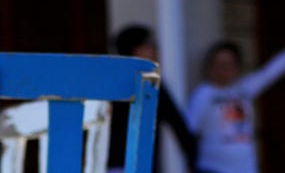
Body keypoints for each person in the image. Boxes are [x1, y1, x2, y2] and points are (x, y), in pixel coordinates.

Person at [108, 25, 197, 173]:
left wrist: (191, 158)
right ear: (135, 49)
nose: (155, 51)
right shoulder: (147, 84)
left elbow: (179, 125)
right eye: (150, 45)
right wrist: (192, 160)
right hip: (125, 166)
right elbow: (178, 125)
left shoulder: (110, 81)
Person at [186, 41, 285, 173]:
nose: (223, 69)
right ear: (209, 66)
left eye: (229, 64)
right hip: (212, 168)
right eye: (219, 64)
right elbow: (187, 130)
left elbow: (270, 72)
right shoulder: (204, 94)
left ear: (237, 68)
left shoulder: (243, 90)